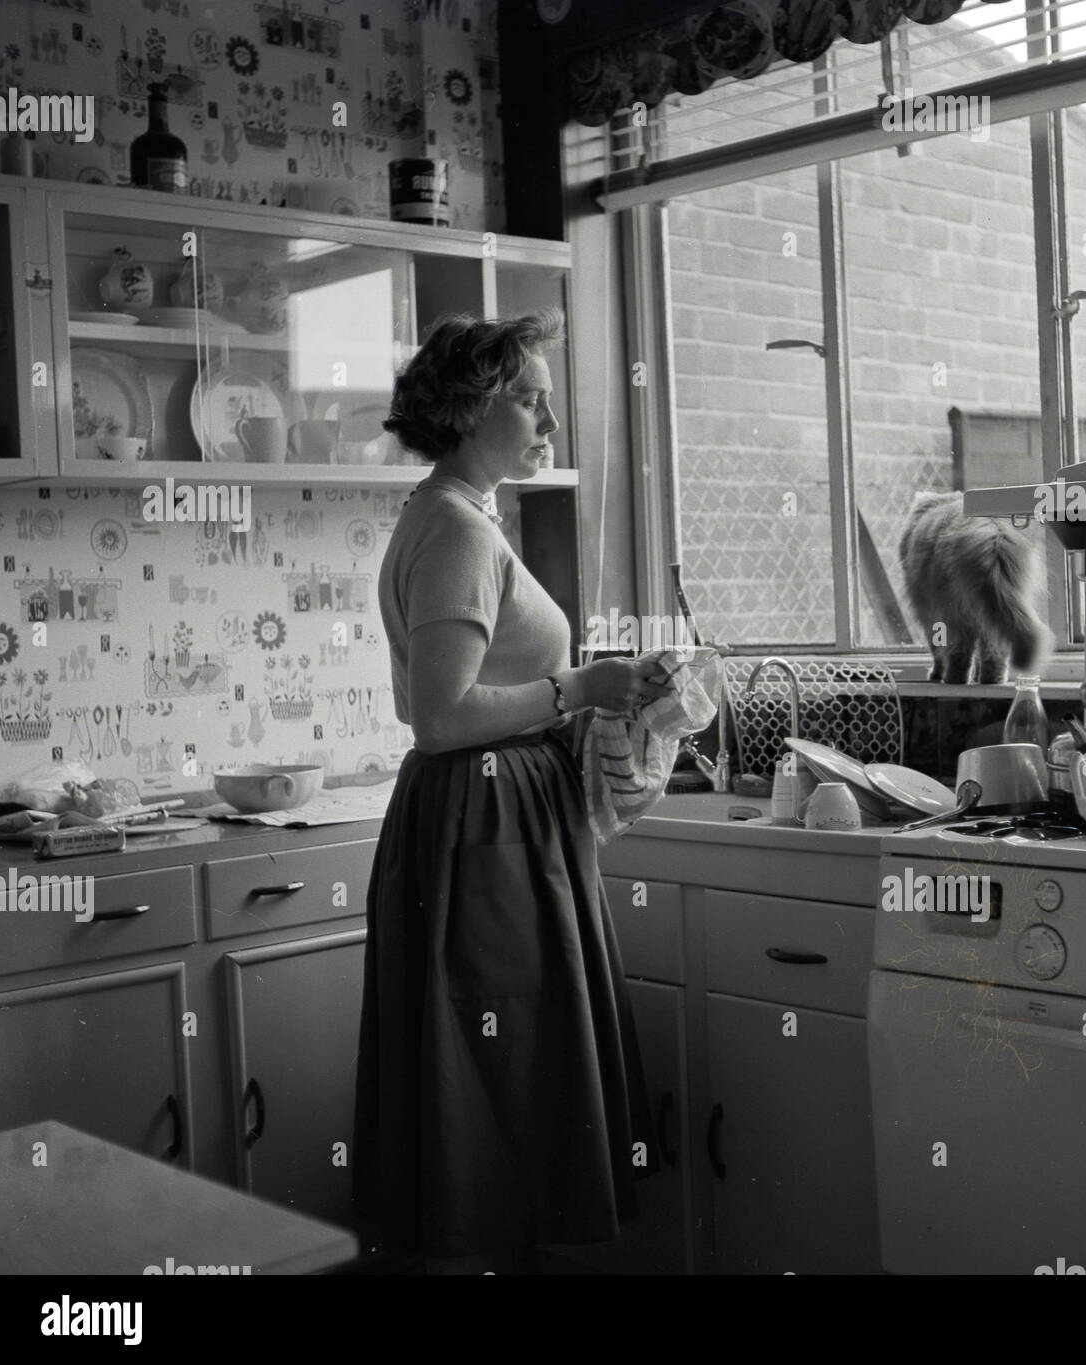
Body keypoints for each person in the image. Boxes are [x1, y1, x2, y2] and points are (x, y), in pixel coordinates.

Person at [353, 308, 672, 1275]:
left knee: (505, 1061)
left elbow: (489, 697)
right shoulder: (454, 528)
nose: (550, 421)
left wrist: (599, 698)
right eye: (532, 399)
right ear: (470, 406)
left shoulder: (462, 516)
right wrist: (579, 687)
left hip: (500, 817)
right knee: (498, 1059)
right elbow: (443, 717)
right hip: (482, 822)